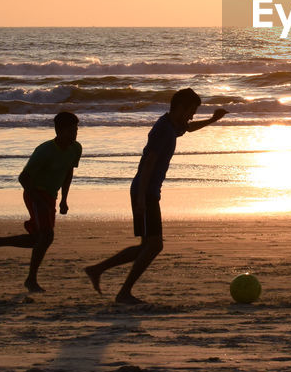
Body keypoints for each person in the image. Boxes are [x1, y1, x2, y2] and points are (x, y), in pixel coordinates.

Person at [84, 88, 226, 304]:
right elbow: (148, 163)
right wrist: (141, 198)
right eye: (191, 111)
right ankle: (123, 292)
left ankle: (98, 270)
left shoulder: (171, 125)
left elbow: (188, 128)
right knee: (154, 245)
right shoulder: (162, 129)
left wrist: (212, 120)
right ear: (180, 107)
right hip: (146, 190)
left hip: (148, 191)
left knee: (146, 246)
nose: (191, 116)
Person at [0, 111, 82, 293]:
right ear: (59, 131)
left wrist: (64, 199)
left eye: (76, 130)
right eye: (71, 131)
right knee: (47, 236)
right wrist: (38, 201)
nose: (74, 134)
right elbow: (23, 178)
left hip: (51, 195)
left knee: (39, 239)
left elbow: (68, 173)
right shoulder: (44, 150)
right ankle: (31, 280)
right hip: (35, 192)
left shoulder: (76, 148)